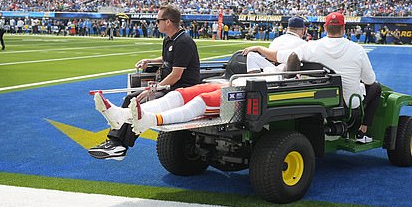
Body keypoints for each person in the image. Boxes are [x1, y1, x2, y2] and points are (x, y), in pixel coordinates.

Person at [92, 53, 301, 149]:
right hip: (229, 82)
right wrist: (263, 54)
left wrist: (281, 64)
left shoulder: (285, 73)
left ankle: (147, 118)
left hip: (242, 88)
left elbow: (292, 60)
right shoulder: (267, 65)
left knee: (202, 100)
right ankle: (122, 115)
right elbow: (253, 57)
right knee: (182, 94)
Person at [243, 12, 380, 144]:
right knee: (376, 87)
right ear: (343, 28)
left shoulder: (311, 47)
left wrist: (259, 48)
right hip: (348, 105)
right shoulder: (357, 50)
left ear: (325, 28)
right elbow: (369, 80)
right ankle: (362, 131)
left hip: (323, 99)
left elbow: (278, 56)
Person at [88, 5, 201, 160]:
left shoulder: (183, 42)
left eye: (158, 20)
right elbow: (168, 59)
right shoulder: (170, 40)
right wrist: (150, 60)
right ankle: (115, 143)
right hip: (170, 86)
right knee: (131, 99)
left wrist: (151, 90)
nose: (156, 23)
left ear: (168, 22)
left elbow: (176, 75)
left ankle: (119, 145)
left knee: (136, 101)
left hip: (181, 89)